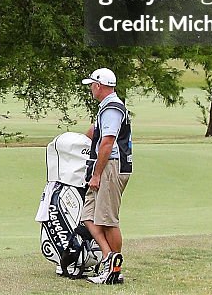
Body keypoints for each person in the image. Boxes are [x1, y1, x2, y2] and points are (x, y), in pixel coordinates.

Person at [80, 68, 131, 285]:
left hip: (110, 167)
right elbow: (96, 132)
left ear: (99, 86)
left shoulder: (112, 108)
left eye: (92, 85)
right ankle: (108, 257)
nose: (91, 88)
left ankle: (114, 271)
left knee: (108, 220)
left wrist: (97, 174)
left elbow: (107, 143)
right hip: (104, 167)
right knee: (89, 215)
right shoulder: (106, 108)